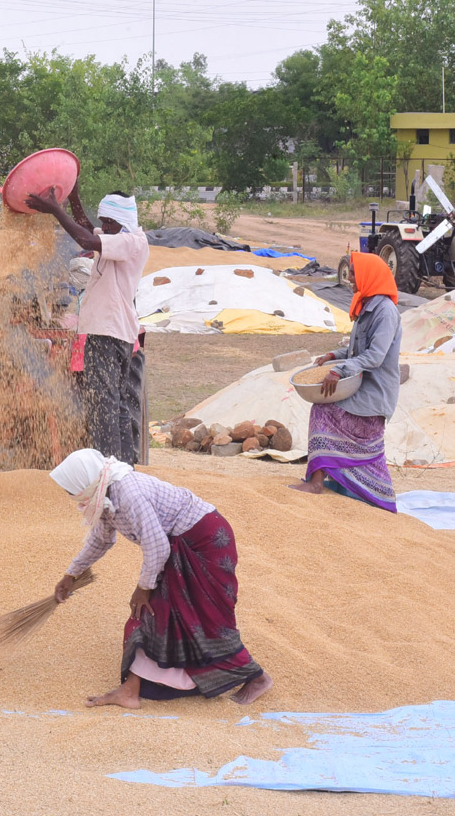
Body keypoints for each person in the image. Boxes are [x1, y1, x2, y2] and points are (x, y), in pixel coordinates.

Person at [50, 449, 273, 708]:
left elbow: (157, 548)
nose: (70, 496)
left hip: (205, 543)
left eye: (70, 490)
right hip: (179, 545)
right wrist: (71, 574)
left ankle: (257, 677)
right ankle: (130, 690)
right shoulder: (105, 494)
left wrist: (143, 587)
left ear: (84, 483)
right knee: (155, 614)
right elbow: (101, 540)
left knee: (206, 619)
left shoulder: (129, 494)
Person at [26, 185, 149, 464]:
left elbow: (85, 240)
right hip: (110, 330)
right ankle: (123, 467)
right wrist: (74, 197)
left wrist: (56, 210)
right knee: (116, 405)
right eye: (103, 221)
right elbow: (87, 228)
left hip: (108, 331)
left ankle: (108, 471)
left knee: (103, 406)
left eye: (109, 223)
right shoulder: (120, 236)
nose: (103, 227)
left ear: (124, 222)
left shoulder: (131, 242)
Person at [291, 250, 402, 512]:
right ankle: (338, 482)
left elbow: (374, 357)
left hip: (374, 394)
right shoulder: (367, 306)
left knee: (323, 410)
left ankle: (317, 482)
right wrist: (333, 356)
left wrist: (339, 369)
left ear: (369, 275)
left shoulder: (385, 312)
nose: (350, 278)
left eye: (354, 273)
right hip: (361, 389)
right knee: (324, 408)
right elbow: (357, 351)